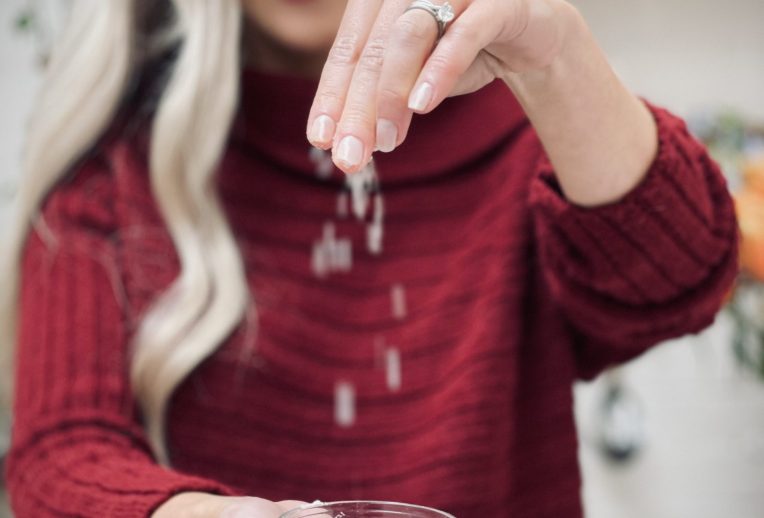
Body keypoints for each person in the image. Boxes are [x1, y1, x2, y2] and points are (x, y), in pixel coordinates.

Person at [1, 0, 740, 516]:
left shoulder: (533, 141)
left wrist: (558, 59)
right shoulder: (118, 168)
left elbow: (681, 279)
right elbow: (60, 453)